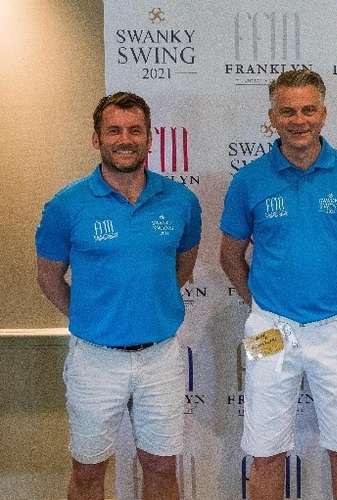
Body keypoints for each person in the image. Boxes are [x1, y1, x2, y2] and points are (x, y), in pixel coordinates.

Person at [219, 69, 337, 500]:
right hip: (270, 330)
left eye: (308, 109)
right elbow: (230, 257)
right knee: (265, 450)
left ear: (324, 113)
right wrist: (262, 305)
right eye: (288, 111)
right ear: (272, 116)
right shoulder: (249, 180)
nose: (299, 119)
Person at [35, 92, 202, 500]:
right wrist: (94, 316)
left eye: (134, 130)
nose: (124, 139)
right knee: (88, 471)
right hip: (95, 361)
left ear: (149, 138)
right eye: (114, 130)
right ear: (97, 139)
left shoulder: (181, 201)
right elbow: (48, 277)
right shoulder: (66, 205)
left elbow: (182, 267)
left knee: (162, 468)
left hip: (160, 358)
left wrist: (146, 307)